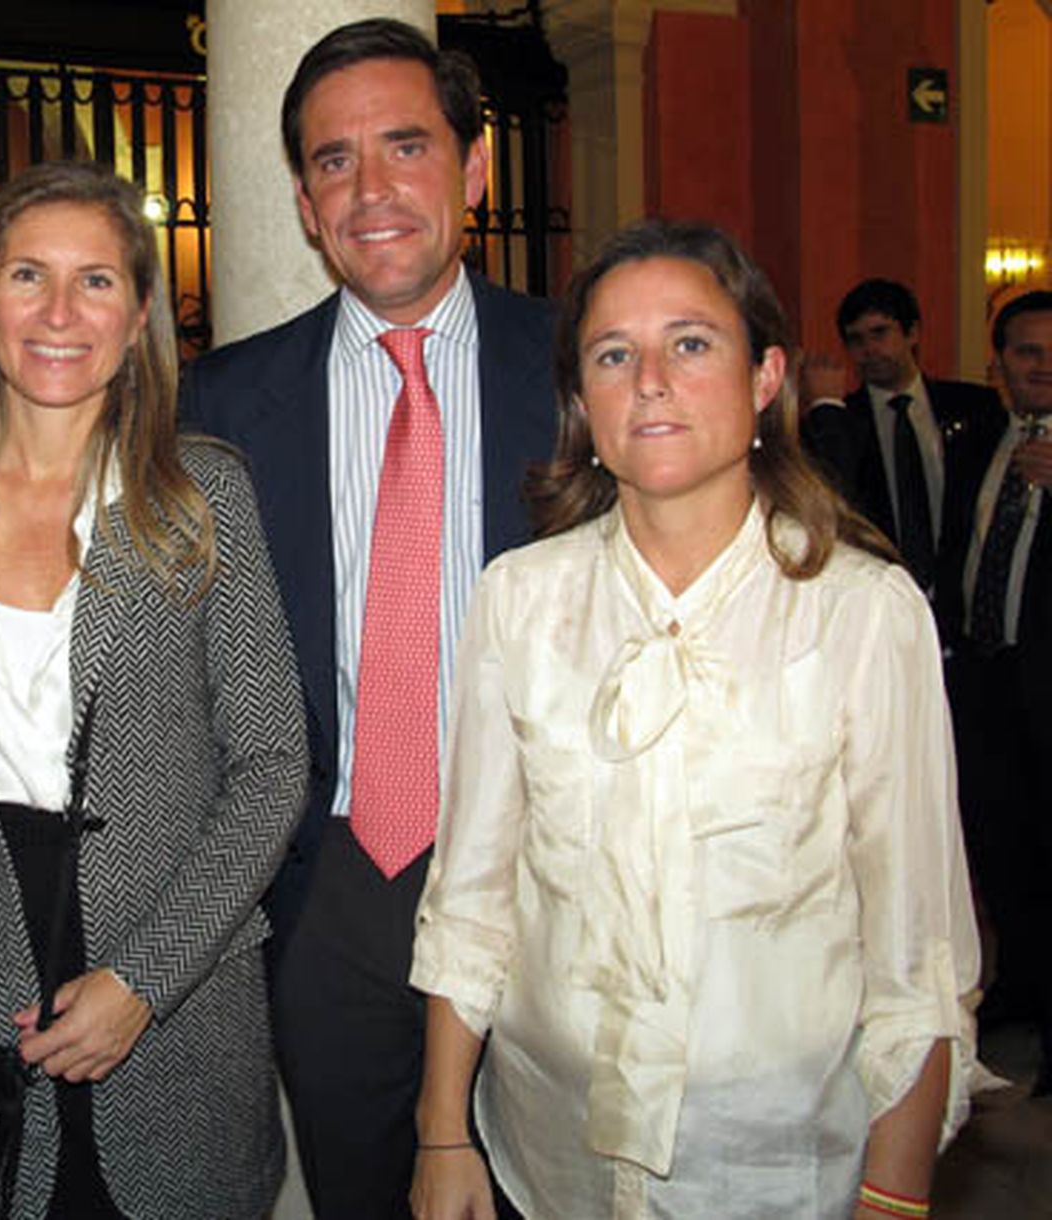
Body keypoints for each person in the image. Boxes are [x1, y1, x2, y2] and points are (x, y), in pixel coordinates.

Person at [411, 221, 981, 1220]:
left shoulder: (858, 613)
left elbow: (916, 956)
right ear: (581, 401)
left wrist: (894, 1195)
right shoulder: (520, 598)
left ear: (765, 376)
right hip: (554, 1157)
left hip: (776, 1164)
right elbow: (472, 893)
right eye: (613, 354)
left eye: (690, 342)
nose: (650, 381)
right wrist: (442, 1128)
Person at [0, 159, 306, 1220]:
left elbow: (272, 759)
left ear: (138, 312)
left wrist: (144, 977)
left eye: (95, 281)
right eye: (27, 277)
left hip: (179, 998)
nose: (59, 313)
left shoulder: (198, 497)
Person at [179, 19, 555, 1217]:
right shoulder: (222, 402)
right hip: (327, 878)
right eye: (335, 161)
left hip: (551, 867)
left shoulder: (580, 374)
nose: (373, 188)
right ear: (301, 200)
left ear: (475, 170)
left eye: (406, 146)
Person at [946, 289, 1052, 1094]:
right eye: (1024, 351)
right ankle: (1019, 985)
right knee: (1001, 847)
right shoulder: (983, 435)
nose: (1041, 365)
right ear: (999, 365)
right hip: (987, 680)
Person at [801, 277, 999, 617]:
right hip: (880, 599)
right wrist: (826, 409)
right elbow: (832, 502)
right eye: (856, 340)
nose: (869, 350)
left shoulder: (974, 407)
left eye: (880, 333)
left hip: (964, 601)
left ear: (912, 333)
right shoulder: (841, 424)